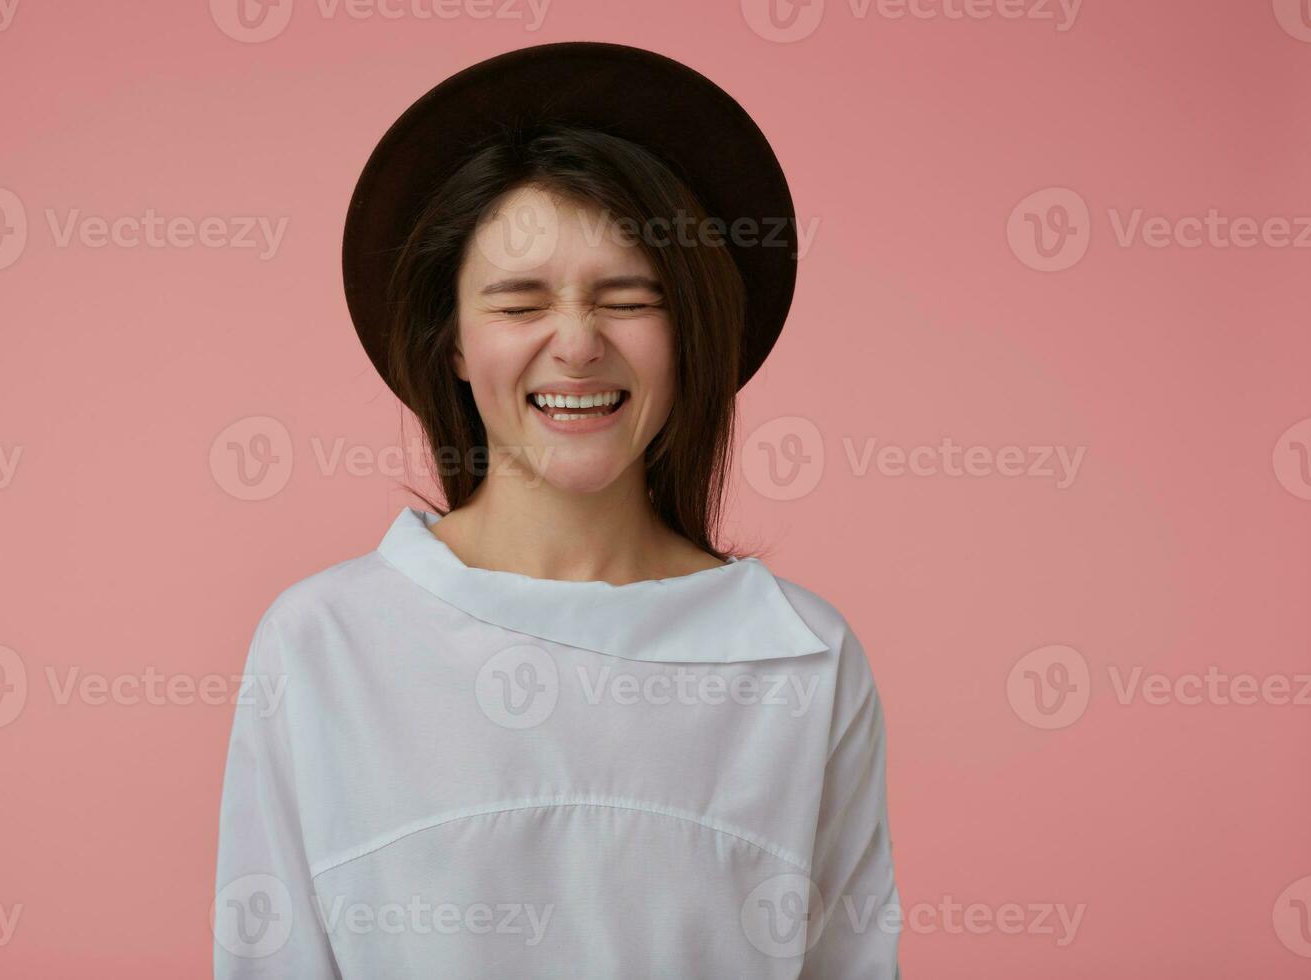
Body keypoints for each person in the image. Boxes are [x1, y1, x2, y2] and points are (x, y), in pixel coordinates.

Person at [214, 41, 901, 979]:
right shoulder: (322, 645)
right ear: (451, 341)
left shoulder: (802, 661)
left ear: (689, 334)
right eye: (519, 303)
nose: (576, 346)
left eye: (628, 299)